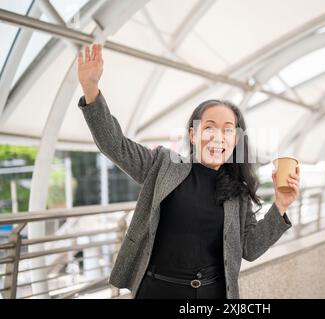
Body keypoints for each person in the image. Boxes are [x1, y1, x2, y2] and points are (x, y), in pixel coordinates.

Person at [77, 43, 300, 299]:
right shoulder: (163, 165)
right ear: (193, 135)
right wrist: (91, 89)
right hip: (158, 291)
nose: (218, 137)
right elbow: (114, 144)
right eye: (209, 128)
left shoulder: (236, 190)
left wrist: (281, 206)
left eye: (227, 130)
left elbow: (249, 248)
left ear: (235, 140)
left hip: (212, 294)